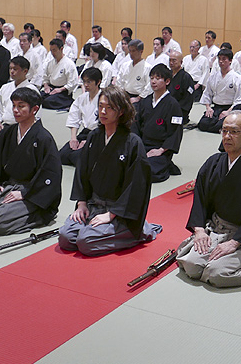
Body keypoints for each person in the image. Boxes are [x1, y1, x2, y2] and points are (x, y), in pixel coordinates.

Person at [176, 111, 241, 288]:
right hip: (216, 228)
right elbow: (200, 198)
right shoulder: (213, 163)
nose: (227, 136)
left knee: (215, 274)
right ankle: (213, 252)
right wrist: (199, 230)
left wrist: (234, 243)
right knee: (192, 266)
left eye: (234, 132)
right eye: (224, 131)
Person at [58, 85, 162, 256]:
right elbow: (82, 171)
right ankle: (103, 228)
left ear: (121, 111)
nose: (103, 111)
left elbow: (136, 185)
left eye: (109, 108)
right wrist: (82, 203)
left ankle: (140, 231)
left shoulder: (133, 143)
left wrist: (112, 214)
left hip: (120, 211)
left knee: (85, 242)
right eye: (100, 106)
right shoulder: (94, 136)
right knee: (66, 237)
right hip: (93, 205)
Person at [0, 87, 62, 235]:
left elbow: (50, 172)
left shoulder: (43, 138)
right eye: (14, 105)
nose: (15, 110)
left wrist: (25, 193)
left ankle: (39, 216)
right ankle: (4, 210)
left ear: (34, 109)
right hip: (7, 186)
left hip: (31, 193)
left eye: (21, 106)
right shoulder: (8, 132)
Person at [132, 64, 184, 182]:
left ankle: (166, 164)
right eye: (152, 78)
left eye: (158, 78)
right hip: (143, 146)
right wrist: (137, 145)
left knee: (148, 170)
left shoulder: (173, 105)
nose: (153, 81)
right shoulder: (145, 101)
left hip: (160, 148)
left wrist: (161, 150)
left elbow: (176, 131)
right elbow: (136, 125)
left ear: (167, 81)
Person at [0, 56, 38, 155]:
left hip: (23, 127)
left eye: (15, 69)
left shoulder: (32, 90)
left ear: (25, 71)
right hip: (6, 126)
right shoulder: (5, 87)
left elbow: (36, 115)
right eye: (10, 68)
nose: (12, 71)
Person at [60, 67, 102, 166]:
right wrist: (73, 138)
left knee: (80, 158)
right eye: (84, 82)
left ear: (98, 82)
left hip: (99, 135)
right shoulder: (82, 98)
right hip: (85, 132)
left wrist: (89, 140)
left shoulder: (104, 99)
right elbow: (74, 118)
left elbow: (105, 125)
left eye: (89, 82)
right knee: (62, 155)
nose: (86, 85)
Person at [198, 49, 241, 133]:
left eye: (224, 59)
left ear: (230, 61)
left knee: (224, 123)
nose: (221, 61)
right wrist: (208, 107)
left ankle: (221, 128)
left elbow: (240, 99)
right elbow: (207, 93)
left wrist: (228, 111)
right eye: (219, 59)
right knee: (202, 124)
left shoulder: (237, 78)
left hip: (230, 108)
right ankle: (220, 129)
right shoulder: (213, 77)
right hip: (216, 108)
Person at [41, 38, 79, 110]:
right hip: (51, 88)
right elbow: (45, 77)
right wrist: (46, 86)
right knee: (37, 97)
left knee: (48, 101)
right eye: (51, 50)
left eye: (54, 50)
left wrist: (60, 89)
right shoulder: (51, 63)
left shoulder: (69, 64)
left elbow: (73, 83)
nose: (52, 53)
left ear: (61, 49)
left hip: (63, 91)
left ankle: (69, 102)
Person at [168, 50, 195, 125]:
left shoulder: (186, 77)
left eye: (174, 60)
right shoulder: (167, 75)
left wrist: (177, 109)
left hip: (179, 111)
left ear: (181, 62)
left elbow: (188, 99)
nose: (171, 63)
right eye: (170, 60)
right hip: (167, 107)